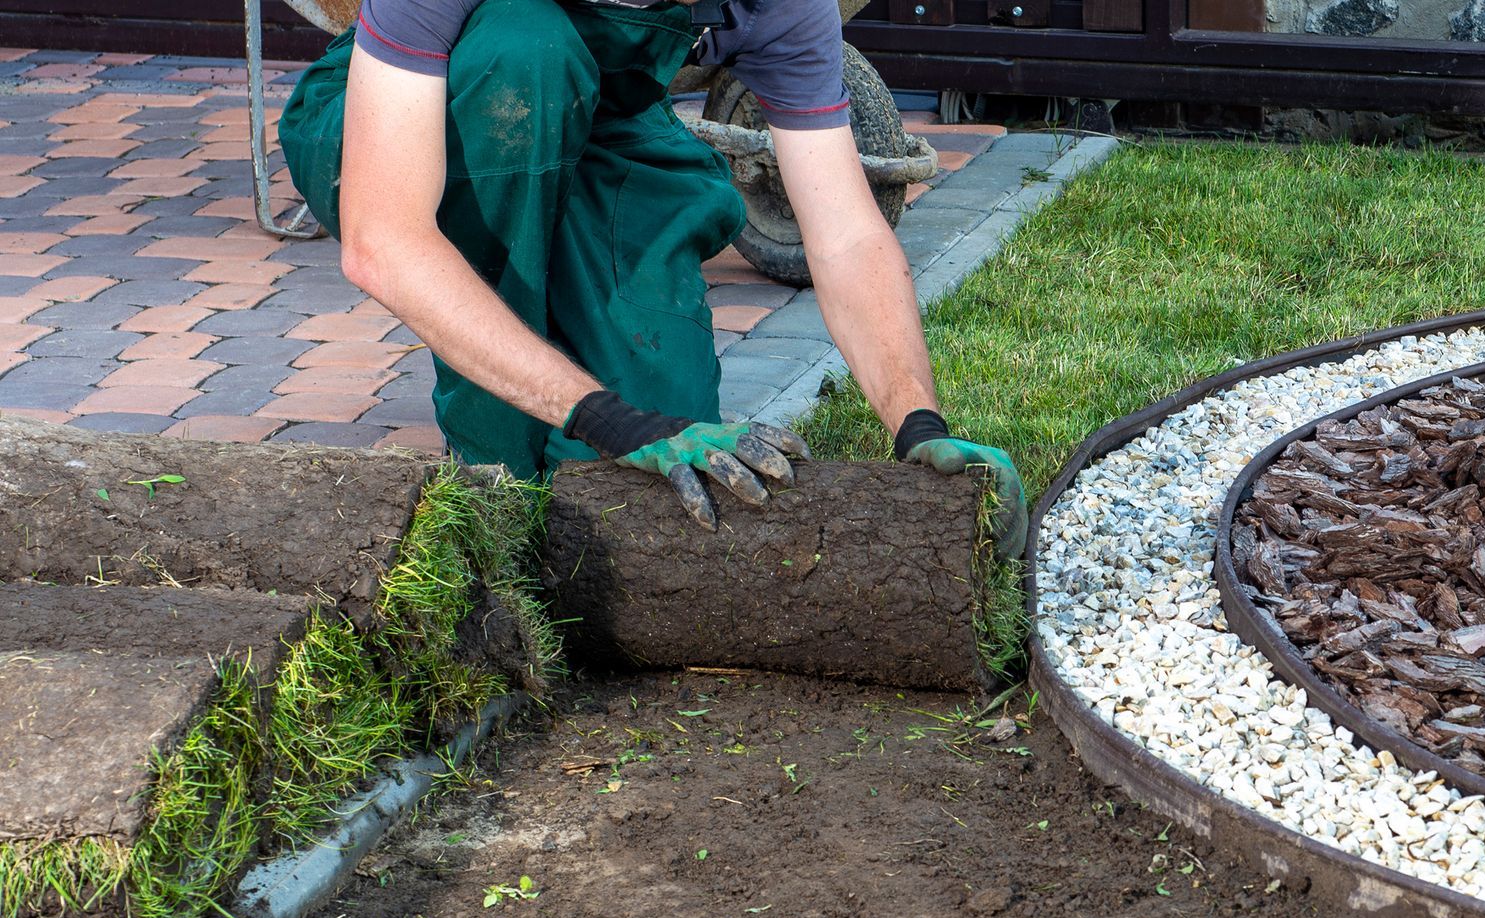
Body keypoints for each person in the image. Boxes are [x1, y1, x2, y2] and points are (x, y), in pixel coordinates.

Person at [279, 0, 1025, 555]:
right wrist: (603, 417)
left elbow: (847, 236)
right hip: (408, 105)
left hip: (603, 118)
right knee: (524, 53)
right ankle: (491, 487)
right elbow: (385, 236)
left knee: (664, 480)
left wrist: (918, 422)